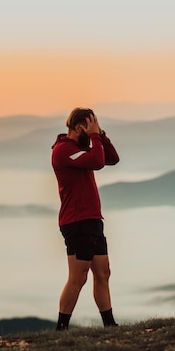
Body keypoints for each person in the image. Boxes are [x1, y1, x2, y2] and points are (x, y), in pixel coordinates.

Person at [51, 107, 120, 330]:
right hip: (76, 222)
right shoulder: (63, 150)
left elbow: (112, 159)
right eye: (90, 125)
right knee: (78, 277)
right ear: (80, 127)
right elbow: (98, 162)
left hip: (91, 220)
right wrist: (94, 137)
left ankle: (109, 325)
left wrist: (100, 134)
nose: (94, 130)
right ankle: (61, 328)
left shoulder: (82, 149)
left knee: (103, 272)